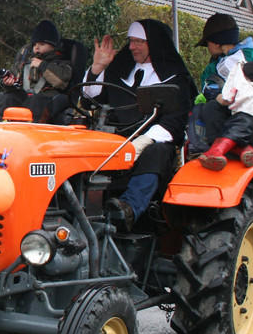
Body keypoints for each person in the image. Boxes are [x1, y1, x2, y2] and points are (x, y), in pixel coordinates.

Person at [84, 20, 195, 229]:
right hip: (115, 137)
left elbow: (174, 122)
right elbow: (89, 101)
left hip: (153, 142)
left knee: (157, 152)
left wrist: (143, 141)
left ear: (154, 43)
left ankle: (128, 208)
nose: (132, 47)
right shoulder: (119, 69)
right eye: (131, 41)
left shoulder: (175, 78)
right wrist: (98, 67)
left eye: (139, 42)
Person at [196, 14, 253, 171]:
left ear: (216, 42)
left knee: (245, 115)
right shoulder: (213, 68)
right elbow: (207, 86)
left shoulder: (249, 55)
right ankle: (243, 150)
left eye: (207, 43)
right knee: (210, 108)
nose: (208, 49)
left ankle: (217, 150)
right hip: (228, 110)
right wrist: (218, 97)